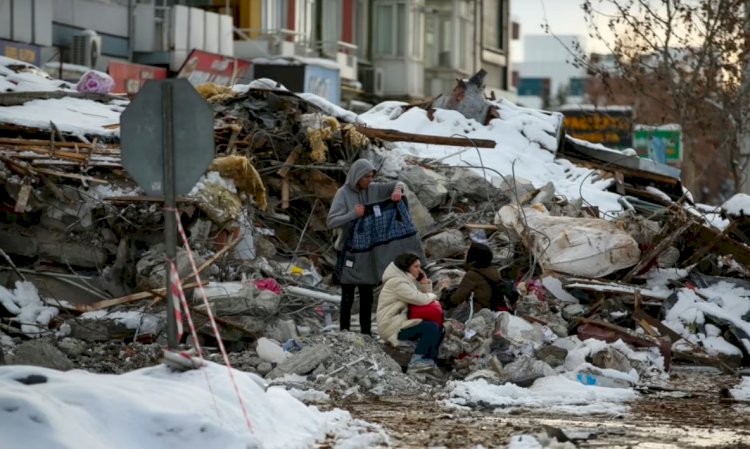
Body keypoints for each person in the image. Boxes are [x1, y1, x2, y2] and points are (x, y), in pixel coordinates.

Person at [327, 158, 406, 335]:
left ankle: (366, 334)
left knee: (366, 294)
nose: (370, 180)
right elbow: (331, 221)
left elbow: (397, 183)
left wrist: (398, 190)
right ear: (357, 177)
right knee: (347, 294)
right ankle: (344, 332)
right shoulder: (343, 194)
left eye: (372, 176)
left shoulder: (373, 189)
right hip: (349, 250)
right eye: (366, 177)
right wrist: (352, 214)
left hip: (368, 251)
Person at [377, 253, 442, 373]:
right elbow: (420, 299)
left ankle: (430, 361)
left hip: (399, 322)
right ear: (406, 268)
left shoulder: (406, 280)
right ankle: (417, 361)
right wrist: (433, 295)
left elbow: (421, 299)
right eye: (416, 267)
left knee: (437, 327)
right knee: (431, 327)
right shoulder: (397, 283)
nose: (419, 270)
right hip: (391, 326)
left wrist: (424, 283)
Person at [446, 241, 504, 312]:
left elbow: (456, 299)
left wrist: (444, 292)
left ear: (473, 255)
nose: (465, 254)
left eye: (468, 252)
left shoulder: (473, 274)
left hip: (477, 311)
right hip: (492, 309)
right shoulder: (494, 270)